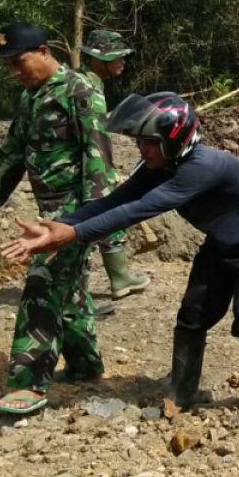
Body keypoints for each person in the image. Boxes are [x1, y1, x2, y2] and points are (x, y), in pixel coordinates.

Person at [1, 92, 239, 411]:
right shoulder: (159, 165)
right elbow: (116, 201)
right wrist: (59, 225)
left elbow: (139, 210)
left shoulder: (201, 167)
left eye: (150, 142)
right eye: (140, 141)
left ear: (175, 140)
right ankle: (183, 393)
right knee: (192, 317)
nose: (142, 149)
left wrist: (72, 234)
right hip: (221, 240)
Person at [0, 22, 109, 414]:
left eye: (19, 62)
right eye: (8, 66)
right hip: (48, 209)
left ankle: (27, 382)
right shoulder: (31, 97)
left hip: (74, 213)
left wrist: (94, 224)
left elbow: (98, 161)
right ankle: (85, 365)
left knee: (42, 285)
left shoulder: (81, 91)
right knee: (71, 292)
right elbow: (14, 151)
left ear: (45, 51)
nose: (14, 72)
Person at [79, 29, 150, 316]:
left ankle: (119, 279)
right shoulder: (86, 89)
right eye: (116, 56)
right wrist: (103, 179)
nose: (123, 61)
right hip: (83, 171)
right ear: (98, 58)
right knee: (81, 229)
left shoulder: (90, 83)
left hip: (85, 168)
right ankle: (76, 303)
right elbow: (93, 141)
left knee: (102, 220)